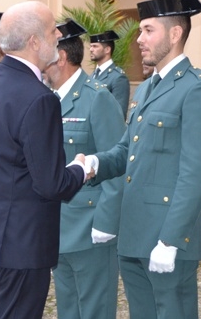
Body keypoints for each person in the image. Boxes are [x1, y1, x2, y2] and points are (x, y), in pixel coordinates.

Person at [85, 0, 201, 319]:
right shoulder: (147, 87)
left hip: (166, 236)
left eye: (148, 30)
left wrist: (172, 239)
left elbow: (195, 174)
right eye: (140, 31)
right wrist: (94, 163)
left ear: (175, 34)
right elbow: (126, 152)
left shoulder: (197, 88)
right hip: (134, 231)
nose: (139, 39)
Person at [0, 0, 89, 319]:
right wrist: (82, 169)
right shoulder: (39, 98)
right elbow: (51, 183)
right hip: (17, 246)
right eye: (52, 29)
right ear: (34, 42)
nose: (58, 35)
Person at [46, 19, 125, 319]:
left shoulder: (97, 97)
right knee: (68, 308)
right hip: (57, 225)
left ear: (61, 57)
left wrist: (106, 223)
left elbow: (116, 162)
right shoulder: (50, 100)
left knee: (94, 310)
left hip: (90, 227)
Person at [89, 30, 130, 118]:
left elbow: (119, 114)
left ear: (107, 49)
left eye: (95, 46)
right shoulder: (92, 75)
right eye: (91, 46)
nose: (91, 49)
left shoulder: (118, 77)